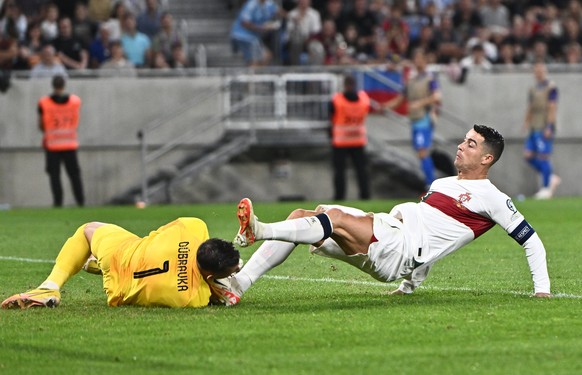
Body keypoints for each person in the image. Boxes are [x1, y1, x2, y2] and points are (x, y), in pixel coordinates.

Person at [218, 125, 551, 307]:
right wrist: (408, 287)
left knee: (333, 217)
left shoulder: (494, 198)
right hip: (392, 235)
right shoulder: (443, 182)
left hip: (398, 248)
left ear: (487, 159)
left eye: (472, 144)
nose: (462, 146)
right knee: (304, 214)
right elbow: (437, 236)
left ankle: (257, 230)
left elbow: (532, 242)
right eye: (464, 140)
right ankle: (239, 285)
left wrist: (542, 289)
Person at [1, 217, 241, 309]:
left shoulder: (193, 227)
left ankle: (50, 286)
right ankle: (92, 264)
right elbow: (215, 294)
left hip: (119, 255)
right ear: (210, 276)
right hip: (117, 291)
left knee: (88, 229)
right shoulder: (192, 299)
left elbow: (156, 233)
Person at [384, 48, 442, 190]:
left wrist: (420, 103)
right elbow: (400, 99)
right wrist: (384, 106)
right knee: (420, 152)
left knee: (422, 151)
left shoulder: (430, 78)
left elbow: (436, 96)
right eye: (416, 58)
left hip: (425, 118)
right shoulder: (411, 80)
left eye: (420, 58)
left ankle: (430, 185)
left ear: (425, 60)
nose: (418, 61)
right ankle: (431, 183)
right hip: (415, 120)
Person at [38, 75, 84, 207]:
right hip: (70, 144)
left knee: (55, 177)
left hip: (52, 145)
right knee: (74, 175)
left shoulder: (44, 103)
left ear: (53, 85)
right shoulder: (75, 101)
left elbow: (41, 125)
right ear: (64, 85)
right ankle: (80, 202)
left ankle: (58, 203)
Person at [329, 74, 371, 201]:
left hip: (340, 141)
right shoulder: (364, 99)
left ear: (344, 85)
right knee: (361, 171)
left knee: (340, 172)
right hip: (358, 140)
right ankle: (365, 195)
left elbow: (330, 117)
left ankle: (339, 197)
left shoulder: (337, 100)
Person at [523, 62, 560, 199]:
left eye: (540, 70)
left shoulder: (551, 87)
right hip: (534, 125)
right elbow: (530, 106)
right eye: (536, 70)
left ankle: (546, 187)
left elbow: (552, 107)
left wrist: (549, 126)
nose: (538, 72)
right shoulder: (533, 88)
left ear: (544, 71)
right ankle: (550, 177)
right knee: (528, 155)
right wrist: (526, 122)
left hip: (544, 125)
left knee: (544, 156)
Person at [230, 0, 281, 67]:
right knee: (262, 57)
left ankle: (254, 73)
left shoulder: (268, 4)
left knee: (265, 57)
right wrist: (262, 28)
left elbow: (279, 11)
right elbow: (245, 22)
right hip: (244, 36)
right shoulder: (251, 4)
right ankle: (253, 74)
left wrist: (290, 15)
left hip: (252, 37)